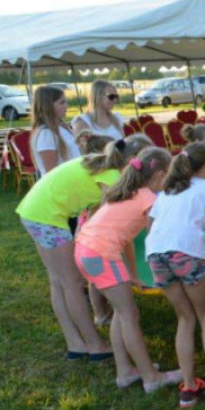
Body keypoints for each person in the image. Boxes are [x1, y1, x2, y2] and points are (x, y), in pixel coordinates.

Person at [74, 146, 184, 392]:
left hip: (86, 250)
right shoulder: (148, 200)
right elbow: (158, 235)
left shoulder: (128, 192)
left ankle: (125, 372)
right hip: (101, 254)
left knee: (121, 313)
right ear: (160, 175)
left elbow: (127, 243)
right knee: (129, 315)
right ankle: (151, 377)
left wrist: (132, 275)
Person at [146, 143, 205, 408]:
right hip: (186, 253)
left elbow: (150, 225)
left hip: (156, 254)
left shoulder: (167, 191)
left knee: (185, 318)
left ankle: (188, 389)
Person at [15, 140, 130, 360]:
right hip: (47, 217)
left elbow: (94, 214)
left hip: (33, 210)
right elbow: (110, 219)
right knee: (72, 283)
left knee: (58, 281)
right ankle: (95, 345)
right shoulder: (112, 178)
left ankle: (75, 343)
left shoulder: (99, 164)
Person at [30, 85, 80, 176]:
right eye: (61, 103)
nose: (66, 106)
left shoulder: (63, 127)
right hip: (61, 187)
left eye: (65, 102)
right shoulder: (46, 134)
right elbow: (51, 172)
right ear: (48, 106)